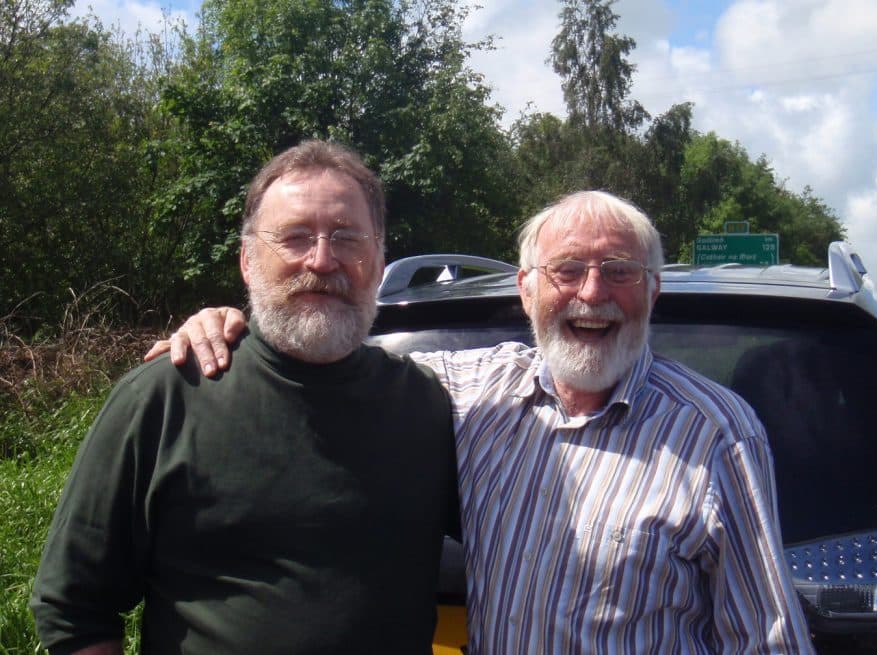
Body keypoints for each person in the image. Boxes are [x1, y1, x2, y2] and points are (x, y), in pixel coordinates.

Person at [148, 191, 815, 653]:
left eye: (619, 271)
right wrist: (229, 324)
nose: (592, 293)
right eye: (567, 270)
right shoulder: (470, 390)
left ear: (653, 289)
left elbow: (767, 638)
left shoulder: (716, 431)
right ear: (526, 288)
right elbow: (323, 351)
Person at [31, 141, 459, 655]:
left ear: (380, 259)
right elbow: (74, 607)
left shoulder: (429, 406)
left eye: (347, 238)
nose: (322, 261)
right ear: (248, 263)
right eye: (294, 237)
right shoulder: (165, 399)